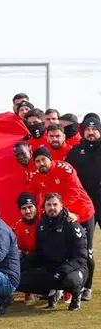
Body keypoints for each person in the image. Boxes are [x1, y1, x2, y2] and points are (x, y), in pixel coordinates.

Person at [27, 146, 95, 299]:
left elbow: (74, 192)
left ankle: (87, 287)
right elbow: (32, 194)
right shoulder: (37, 176)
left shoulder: (65, 169)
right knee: (58, 252)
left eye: (43, 160)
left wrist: (65, 212)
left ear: (50, 159)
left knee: (86, 253)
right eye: (37, 161)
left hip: (81, 213)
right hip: (60, 216)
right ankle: (60, 287)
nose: (40, 163)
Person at [18, 193, 87, 311]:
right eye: (48, 205)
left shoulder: (72, 225)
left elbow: (80, 258)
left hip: (73, 268)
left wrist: (63, 271)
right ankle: (51, 292)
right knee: (20, 278)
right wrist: (20, 265)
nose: (52, 208)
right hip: (52, 267)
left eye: (55, 204)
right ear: (44, 207)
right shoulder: (42, 225)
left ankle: (76, 293)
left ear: (61, 205)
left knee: (69, 280)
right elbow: (40, 253)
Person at [65, 114, 101, 301]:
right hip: (84, 206)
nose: (91, 132)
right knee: (85, 248)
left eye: (94, 129)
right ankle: (87, 286)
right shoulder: (75, 152)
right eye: (87, 129)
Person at [13, 192, 39, 304]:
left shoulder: (45, 221)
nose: (28, 211)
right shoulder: (19, 226)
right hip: (31, 257)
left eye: (30, 207)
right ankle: (29, 292)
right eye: (24, 208)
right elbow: (20, 247)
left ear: (35, 207)